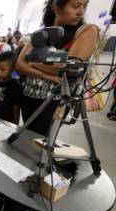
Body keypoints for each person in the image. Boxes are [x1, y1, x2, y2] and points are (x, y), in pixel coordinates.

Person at [16, 0, 98, 135]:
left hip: (54, 101)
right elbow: (20, 64)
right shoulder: (42, 32)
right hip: (28, 95)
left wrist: (33, 62)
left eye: (85, 6)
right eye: (76, 6)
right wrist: (46, 74)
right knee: (27, 137)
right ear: (57, 9)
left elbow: (70, 68)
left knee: (42, 142)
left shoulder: (86, 31)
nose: (81, 12)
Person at [0, 52, 22, 124]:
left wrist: (15, 124)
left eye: (2, 70)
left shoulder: (14, 86)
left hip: (7, 121)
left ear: (12, 69)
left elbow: (16, 107)